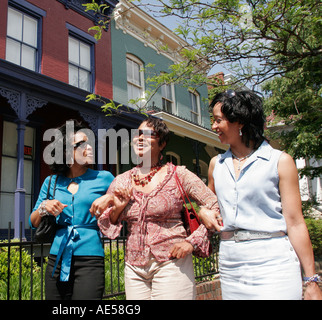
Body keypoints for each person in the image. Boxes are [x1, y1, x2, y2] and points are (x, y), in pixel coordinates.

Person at [204, 89, 322, 300]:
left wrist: (311, 279)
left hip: (273, 263)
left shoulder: (280, 161)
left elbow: (295, 222)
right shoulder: (216, 165)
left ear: (239, 121)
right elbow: (208, 206)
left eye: (218, 120)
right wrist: (204, 212)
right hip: (231, 265)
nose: (213, 126)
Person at [91, 117, 219, 300]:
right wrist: (118, 208)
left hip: (172, 263)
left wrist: (191, 242)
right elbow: (107, 225)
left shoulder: (178, 175)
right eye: (138, 134)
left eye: (149, 134)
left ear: (162, 143)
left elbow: (216, 208)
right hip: (134, 268)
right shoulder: (122, 180)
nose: (140, 138)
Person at [30, 120, 114, 300]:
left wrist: (110, 197)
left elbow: (128, 197)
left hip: (90, 260)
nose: (90, 147)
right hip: (56, 259)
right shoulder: (51, 182)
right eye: (83, 144)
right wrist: (45, 207)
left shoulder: (104, 178)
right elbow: (33, 221)